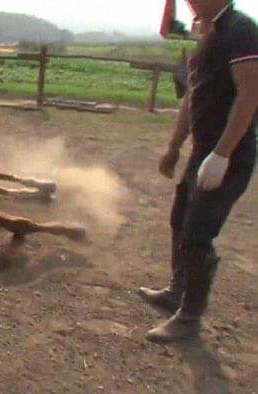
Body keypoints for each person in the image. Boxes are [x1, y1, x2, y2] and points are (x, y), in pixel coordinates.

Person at [139, 0, 258, 343]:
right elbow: (193, 96)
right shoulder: (211, 34)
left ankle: (189, 316)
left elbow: (250, 93)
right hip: (202, 150)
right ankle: (178, 290)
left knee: (197, 233)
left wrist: (222, 155)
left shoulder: (240, 29)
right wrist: (176, 146)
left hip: (229, 153)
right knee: (180, 220)